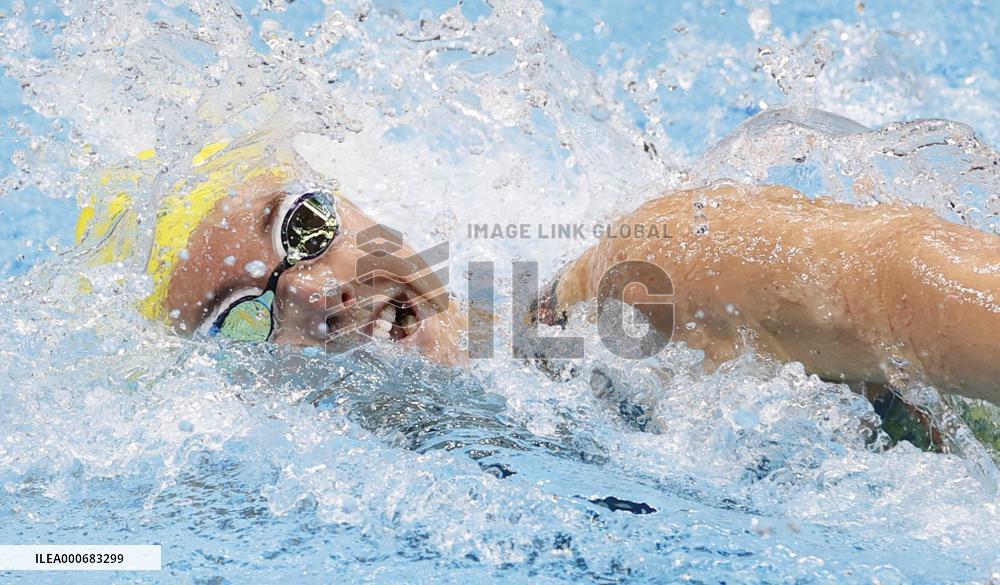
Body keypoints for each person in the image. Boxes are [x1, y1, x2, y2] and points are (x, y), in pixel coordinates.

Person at [75, 132, 1000, 406]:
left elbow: (912, 274)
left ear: (361, 202)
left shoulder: (649, 272)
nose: (315, 292)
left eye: (305, 227)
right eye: (241, 315)